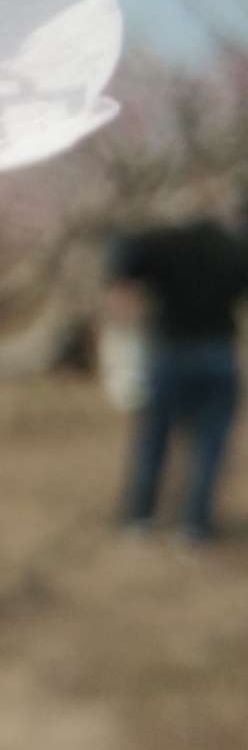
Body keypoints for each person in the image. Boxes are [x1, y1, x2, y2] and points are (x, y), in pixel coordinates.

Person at [109, 193, 248, 542]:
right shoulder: (234, 247)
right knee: (210, 443)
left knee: (155, 437)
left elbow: (122, 255)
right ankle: (195, 525)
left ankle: (140, 518)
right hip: (218, 352)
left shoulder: (163, 242)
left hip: (169, 351)